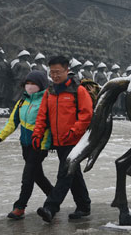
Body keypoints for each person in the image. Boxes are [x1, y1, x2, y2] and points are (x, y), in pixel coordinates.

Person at [33, 55, 93, 222]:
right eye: (52, 72)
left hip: (74, 141)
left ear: (67, 70)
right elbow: (42, 116)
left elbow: (86, 115)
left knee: (65, 174)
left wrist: (73, 132)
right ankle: (84, 206)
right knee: (73, 174)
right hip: (58, 141)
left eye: (58, 72)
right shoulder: (49, 92)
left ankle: (50, 207)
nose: (55, 75)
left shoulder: (78, 91)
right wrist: (37, 134)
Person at [0, 70, 53, 220]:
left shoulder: (47, 101)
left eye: (33, 83)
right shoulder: (22, 101)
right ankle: (54, 197)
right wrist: (0, 137)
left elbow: (50, 125)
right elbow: (13, 122)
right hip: (25, 145)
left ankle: (20, 207)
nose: (29, 86)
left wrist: (46, 144)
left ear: (41, 85)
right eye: (28, 83)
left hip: (39, 145)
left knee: (28, 177)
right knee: (37, 175)